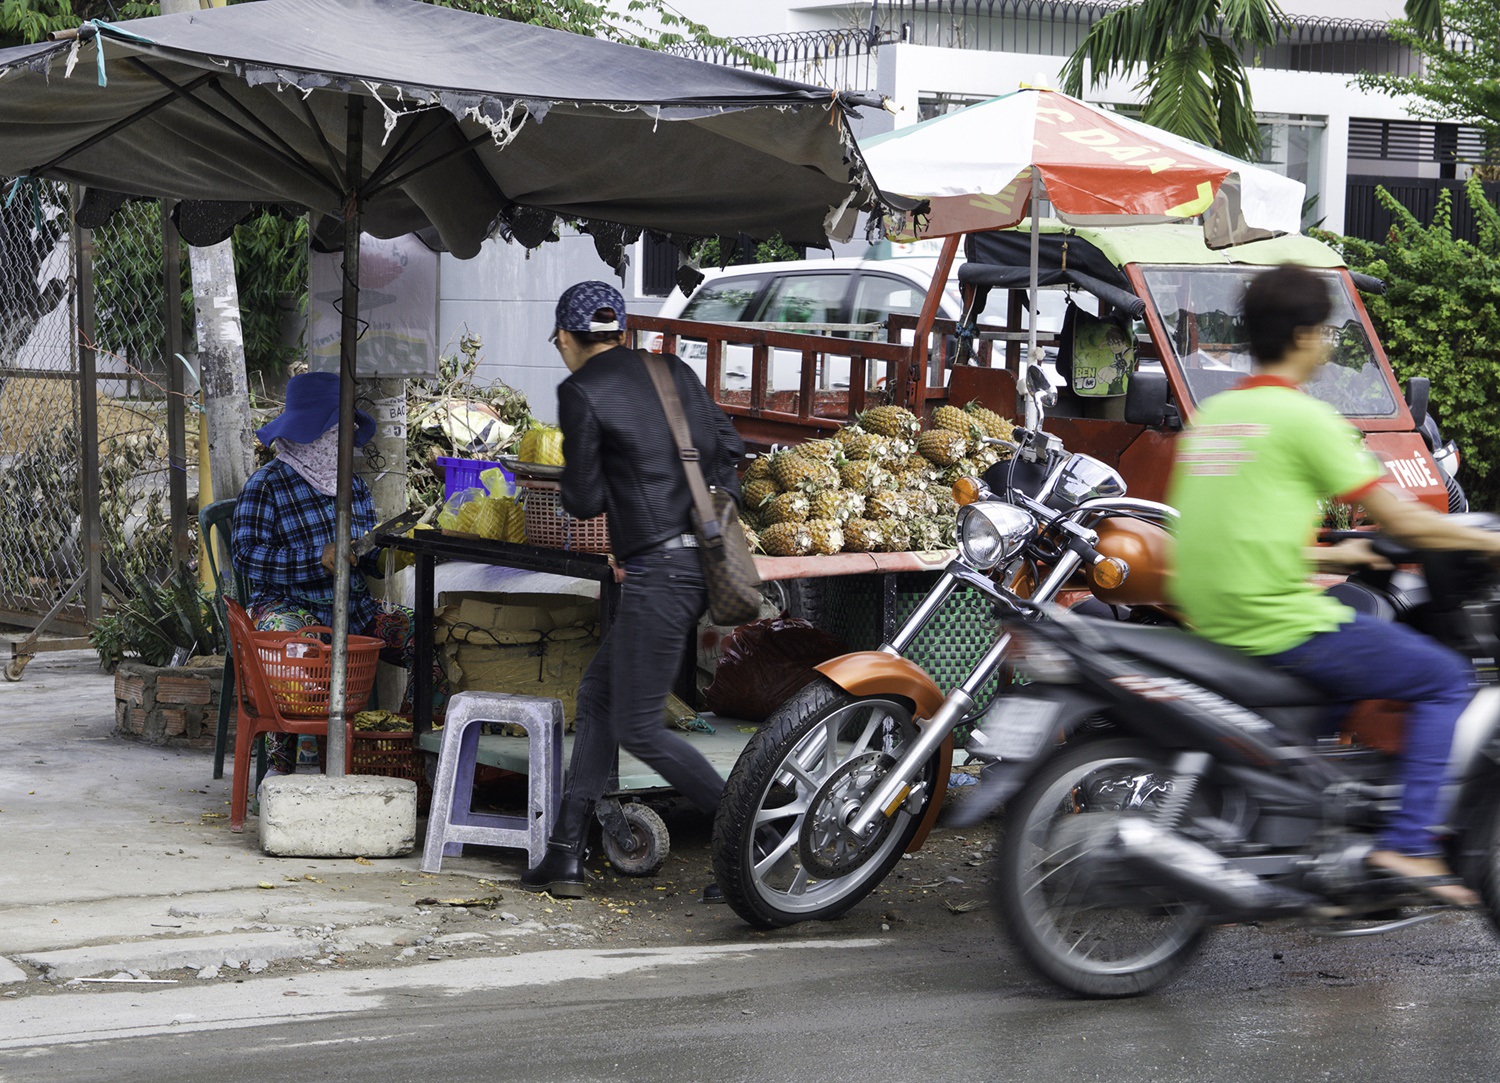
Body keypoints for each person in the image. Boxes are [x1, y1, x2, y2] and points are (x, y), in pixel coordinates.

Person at [1167, 262, 1500, 908]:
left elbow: (1236, 533)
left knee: (1362, 637)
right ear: (1301, 336)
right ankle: (1410, 842)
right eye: (1325, 331)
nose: (1328, 344)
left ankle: (1329, 811)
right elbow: (1404, 517)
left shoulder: (1216, 415)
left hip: (1210, 616)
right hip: (1277, 621)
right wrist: (1485, 539)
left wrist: (1337, 558)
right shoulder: (1302, 418)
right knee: (1441, 677)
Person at [519, 281, 743, 900]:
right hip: (701, 563)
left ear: (567, 338)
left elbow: (585, 499)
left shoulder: (581, 391)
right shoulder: (670, 370)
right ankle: (564, 853)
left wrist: (573, 482)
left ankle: (748, 842)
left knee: (642, 727)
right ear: (621, 332)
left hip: (657, 575)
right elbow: (729, 449)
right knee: (597, 694)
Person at [232, 370, 445, 776]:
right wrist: (318, 556)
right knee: (300, 656)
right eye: (335, 432)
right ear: (311, 431)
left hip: (355, 610)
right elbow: (245, 554)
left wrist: (390, 552)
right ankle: (282, 768)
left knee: (435, 638)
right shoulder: (266, 485)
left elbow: (362, 558)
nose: (342, 442)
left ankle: (406, 749)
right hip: (288, 608)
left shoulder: (354, 488)